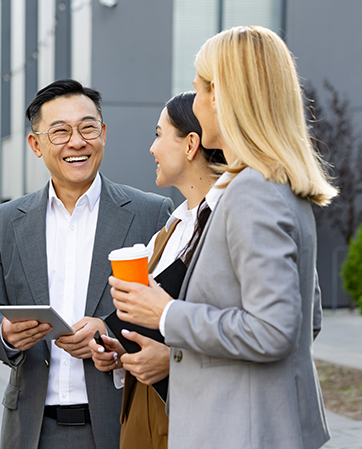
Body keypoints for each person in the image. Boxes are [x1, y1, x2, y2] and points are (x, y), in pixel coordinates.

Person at [108, 26, 336, 448]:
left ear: (221, 95)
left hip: (241, 432)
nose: (194, 102)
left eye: (197, 89)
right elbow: (309, 319)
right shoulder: (271, 184)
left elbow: (273, 330)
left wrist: (166, 314)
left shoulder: (253, 192)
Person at [0, 79, 173, 449]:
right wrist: (5, 332)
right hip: (33, 430)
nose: (77, 142)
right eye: (60, 132)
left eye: (87, 128)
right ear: (36, 145)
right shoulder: (3, 222)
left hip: (122, 422)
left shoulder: (151, 213)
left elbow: (170, 312)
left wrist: (111, 331)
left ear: (103, 133)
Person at [88, 91, 224, 449]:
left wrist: (175, 363)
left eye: (160, 134)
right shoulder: (172, 228)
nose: (152, 148)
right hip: (142, 414)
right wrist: (122, 348)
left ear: (191, 144)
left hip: (195, 419)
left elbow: (259, 328)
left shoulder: (232, 218)